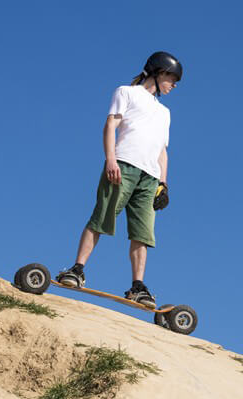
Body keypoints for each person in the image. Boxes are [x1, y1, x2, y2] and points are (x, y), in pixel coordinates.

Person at [55, 51, 182, 309]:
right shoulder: (127, 92)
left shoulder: (164, 113)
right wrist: (110, 160)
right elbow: (110, 126)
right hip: (123, 165)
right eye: (172, 77)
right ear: (158, 72)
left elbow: (162, 151)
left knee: (143, 233)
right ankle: (77, 269)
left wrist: (164, 184)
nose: (174, 84)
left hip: (150, 177)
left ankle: (138, 287)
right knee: (102, 217)